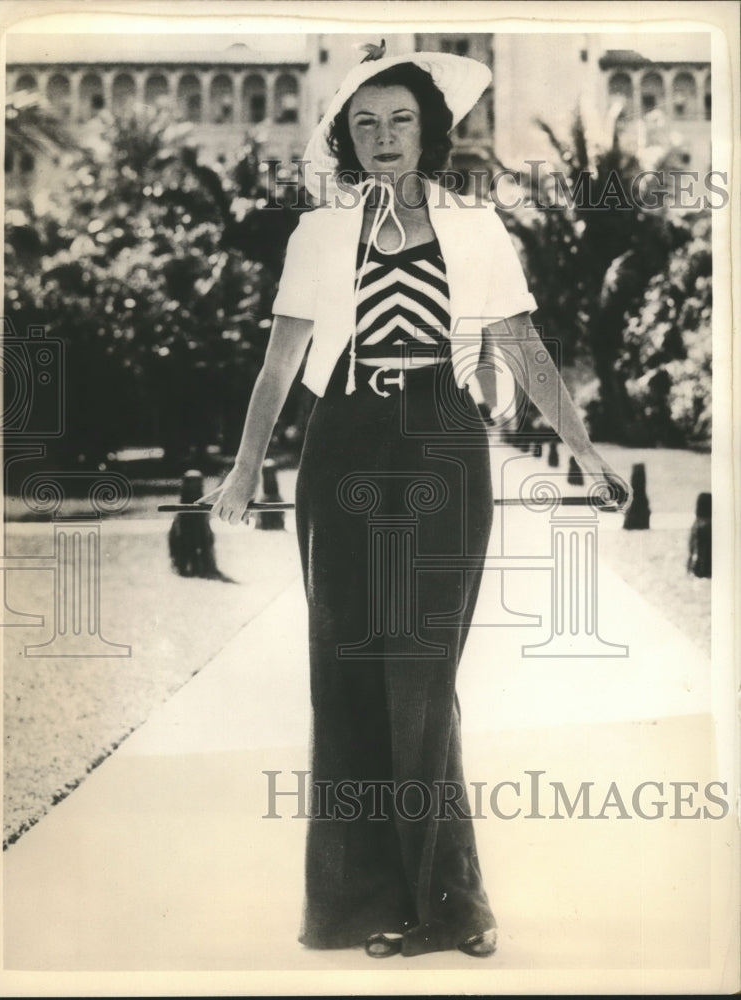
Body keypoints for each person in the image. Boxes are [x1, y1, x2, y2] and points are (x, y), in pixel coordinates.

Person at [201, 48, 629, 959]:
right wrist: (245, 470)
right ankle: (361, 905)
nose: (385, 138)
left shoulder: (476, 229)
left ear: (428, 133)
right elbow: (280, 364)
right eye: (366, 124)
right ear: (347, 141)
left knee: (423, 677)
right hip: (343, 443)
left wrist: (584, 452)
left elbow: (519, 344)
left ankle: (449, 904)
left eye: (400, 121)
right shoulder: (318, 235)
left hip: (442, 439)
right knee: (348, 671)